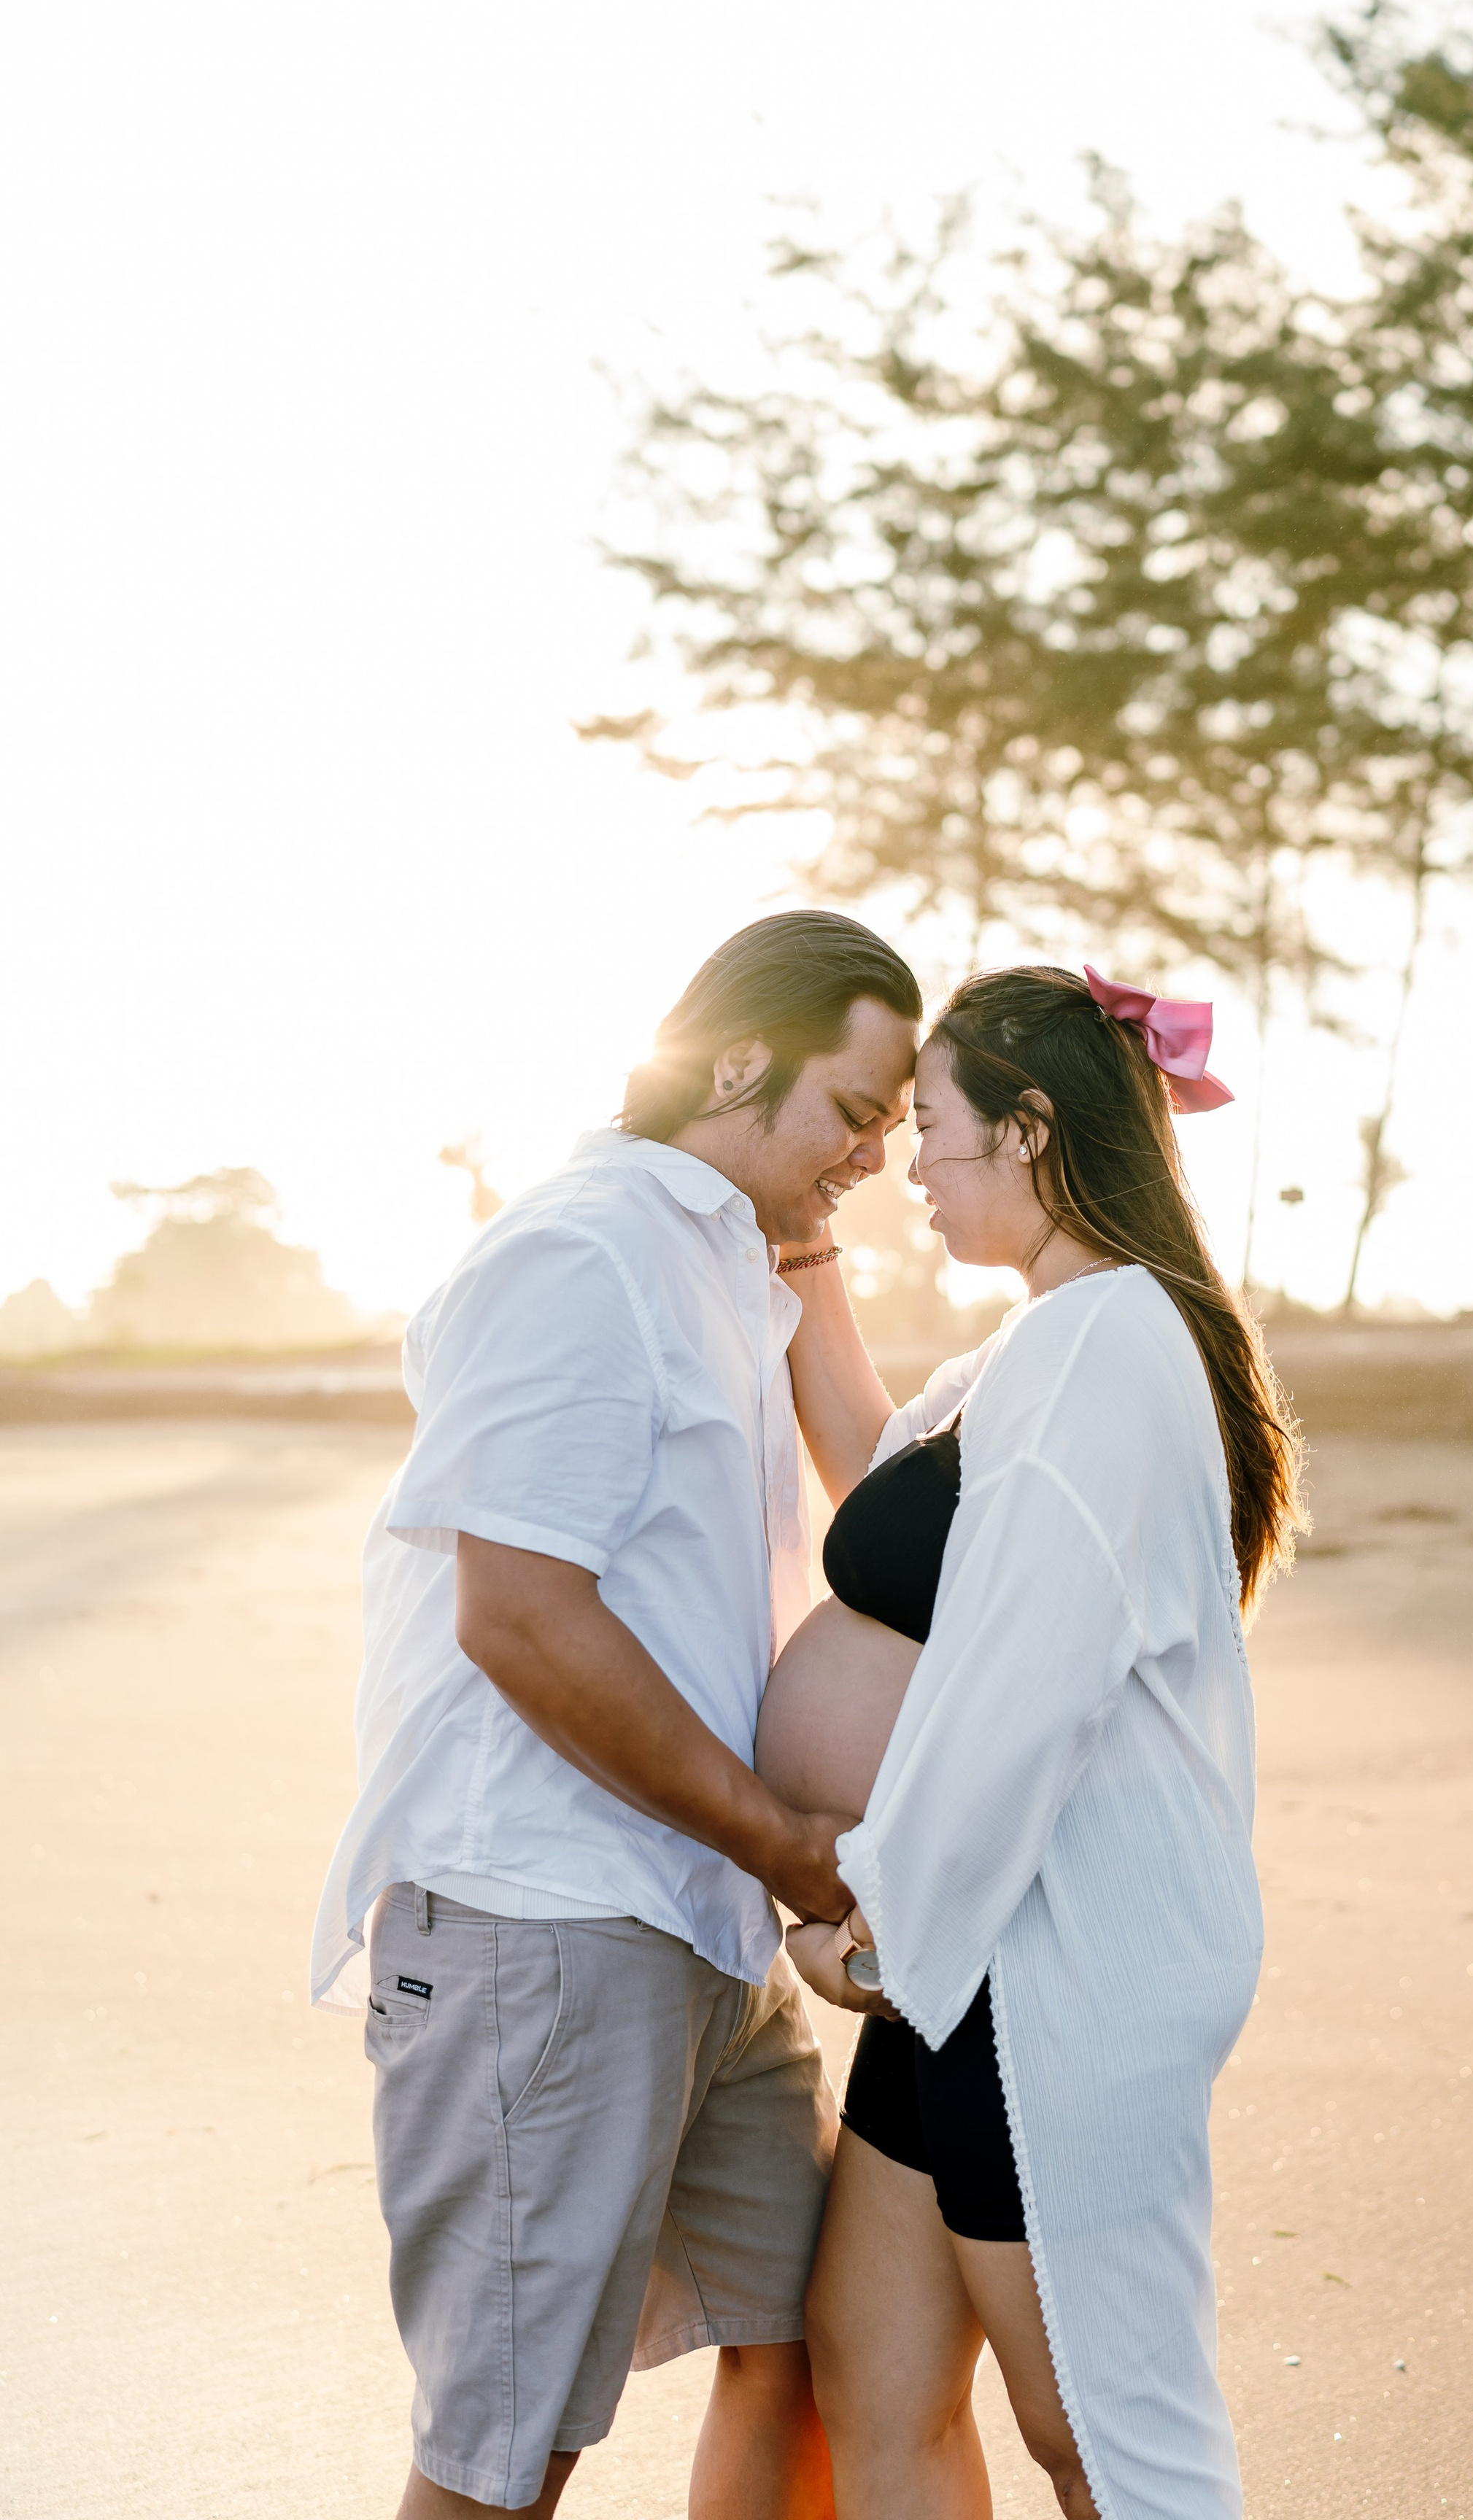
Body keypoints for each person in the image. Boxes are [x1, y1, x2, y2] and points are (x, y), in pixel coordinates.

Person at [309, 911, 921, 2520]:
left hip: (701, 1928)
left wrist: (806, 1242)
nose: (873, 1154)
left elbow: (868, 1478)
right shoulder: (577, 1254)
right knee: (506, 2453)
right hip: (544, 1923)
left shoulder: (730, 1263)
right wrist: (787, 1843)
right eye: (854, 1113)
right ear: (733, 1063)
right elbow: (519, 1619)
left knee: (805, 2342)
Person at [757, 964, 1304, 2520]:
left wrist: (875, 1923)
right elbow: (887, 1489)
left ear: (1032, 1128)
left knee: (1099, 2439)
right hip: (961, 1962)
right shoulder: (1036, 1347)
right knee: (871, 2380)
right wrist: (807, 1265)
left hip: (1021, 1957)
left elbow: (1021, 1688)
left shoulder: (1107, 1343)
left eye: (930, 1129)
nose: (910, 1167)